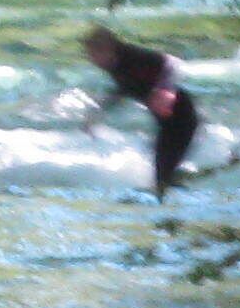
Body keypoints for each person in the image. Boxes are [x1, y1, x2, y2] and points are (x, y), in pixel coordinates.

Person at [82, 24, 201, 194]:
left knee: (162, 174)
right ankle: (174, 182)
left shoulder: (132, 56)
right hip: (165, 121)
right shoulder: (114, 66)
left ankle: (172, 190)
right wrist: (96, 114)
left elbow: (172, 63)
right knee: (161, 171)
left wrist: (165, 89)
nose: (91, 59)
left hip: (182, 117)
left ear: (107, 49)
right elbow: (123, 90)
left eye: (93, 54)